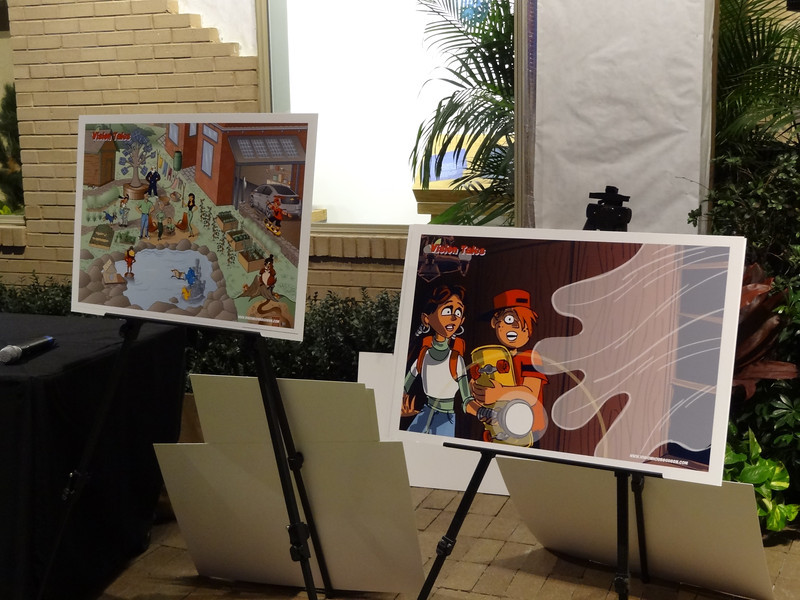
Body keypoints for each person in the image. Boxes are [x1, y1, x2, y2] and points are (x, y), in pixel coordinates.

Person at [469, 289, 549, 446]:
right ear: (495, 322)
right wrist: (478, 401)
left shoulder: (530, 357)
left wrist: (498, 393)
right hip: (495, 432)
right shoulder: (489, 356)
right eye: (509, 319)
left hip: (526, 433)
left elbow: (531, 394)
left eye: (523, 323)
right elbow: (472, 397)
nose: (516, 327)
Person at [402, 284, 474, 436]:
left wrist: (483, 413)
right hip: (424, 413)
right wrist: (399, 406)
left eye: (458, 312)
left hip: (446, 419)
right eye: (447, 311)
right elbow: (404, 387)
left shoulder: (456, 359)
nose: (453, 317)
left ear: (462, 320)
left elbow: (466, 399)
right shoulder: (423, 354)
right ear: (426, 318)